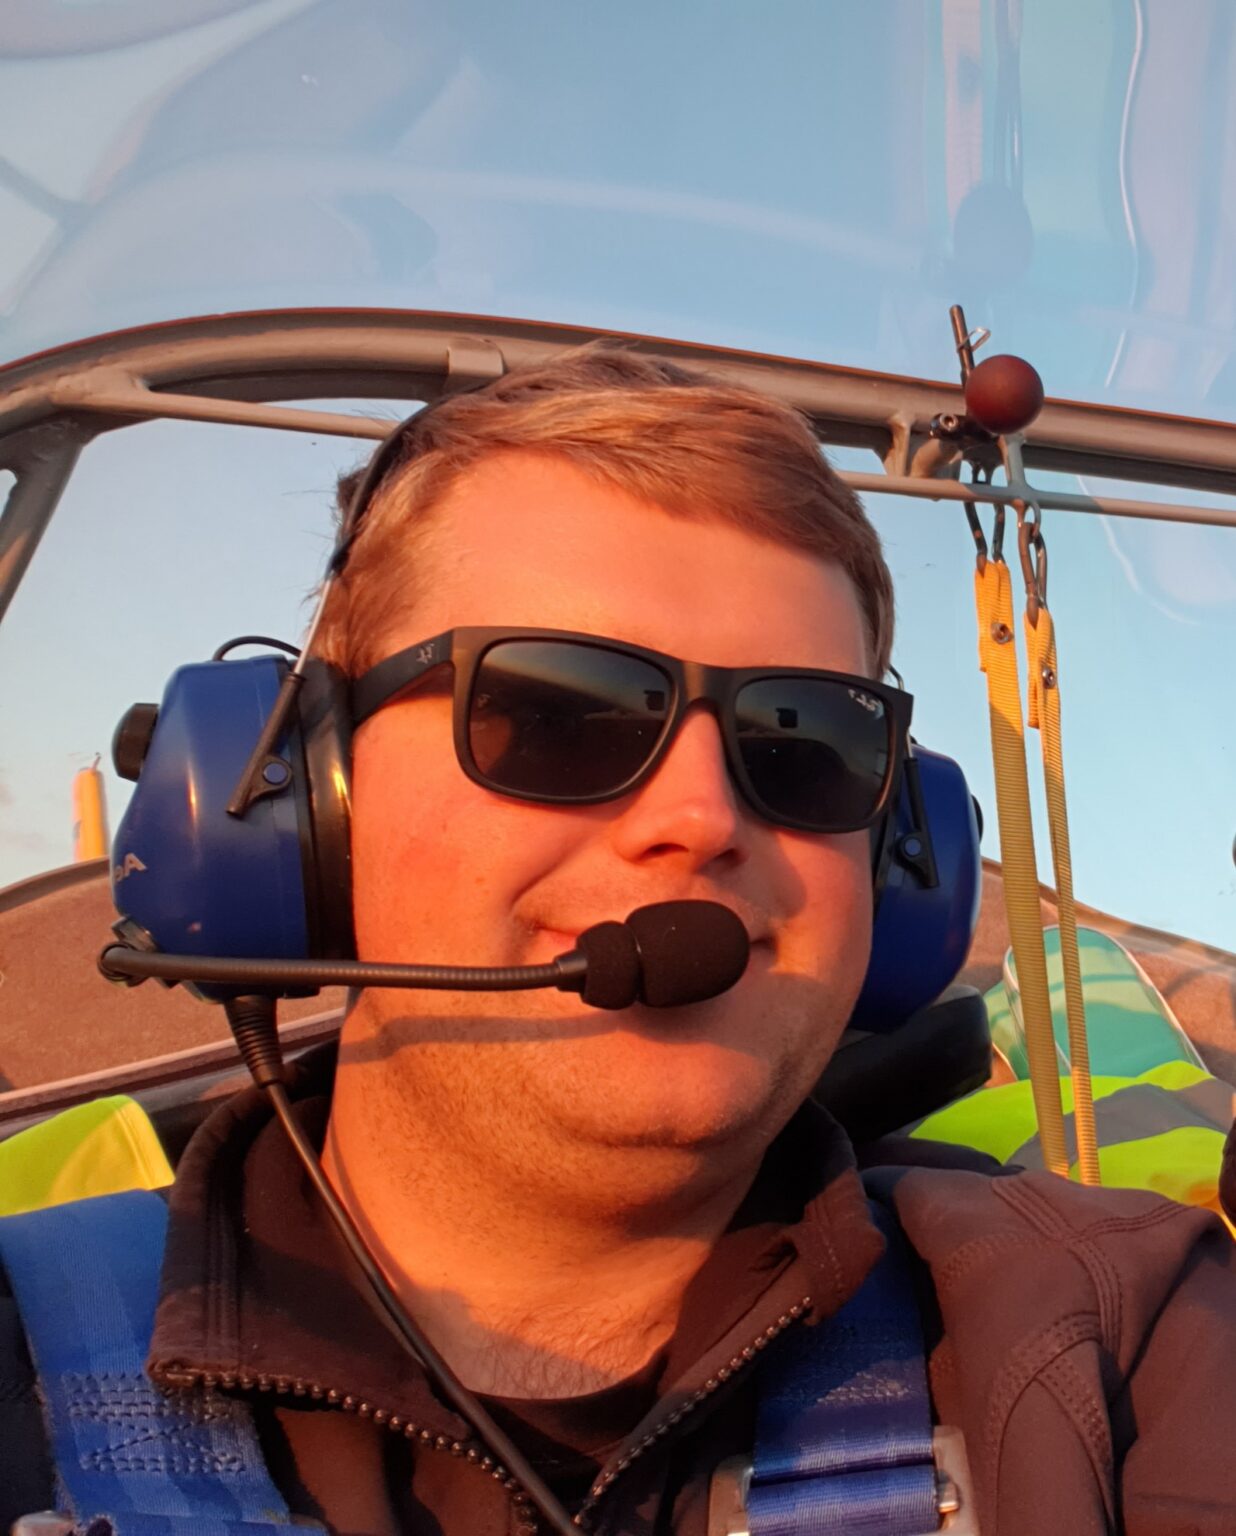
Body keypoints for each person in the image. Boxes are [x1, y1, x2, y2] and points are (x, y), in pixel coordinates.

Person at [4, 346, 1236, 1536]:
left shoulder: (1120, 1344)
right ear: (306, 797)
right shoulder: (22, 1361)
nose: (701, 818)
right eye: (557, 710)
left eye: (804, 742)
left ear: (899, 859)